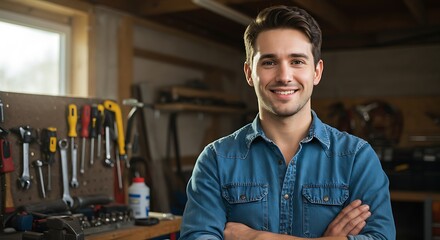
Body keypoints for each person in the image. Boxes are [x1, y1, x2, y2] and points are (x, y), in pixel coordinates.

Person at [179, 5, 395, 240]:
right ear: (249, 73)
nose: (284, 76)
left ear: (317, 72)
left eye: (297, 61)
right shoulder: (216, 160)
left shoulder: (356, 158)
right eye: (269, 62)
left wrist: (256, 237)